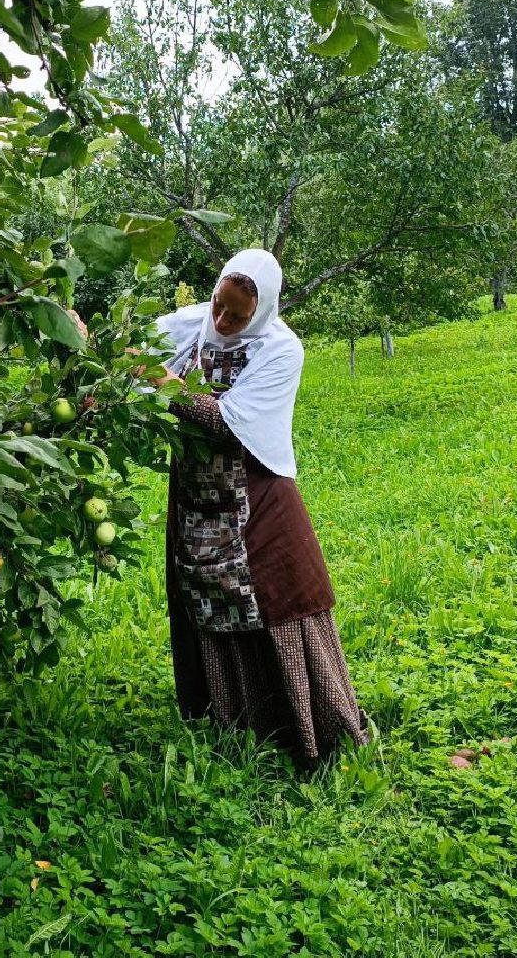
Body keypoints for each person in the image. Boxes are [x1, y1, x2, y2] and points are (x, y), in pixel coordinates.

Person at [149, 248, 369, 766]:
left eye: (237, 316)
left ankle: (307, 731)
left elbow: (227, 422)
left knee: (278, 601)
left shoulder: (281, 350)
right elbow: (122, 358)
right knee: (205, 597)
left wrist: (162, 385)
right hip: (196, 495)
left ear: (262, 312)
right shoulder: (190, 326)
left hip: (259, 495)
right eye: (218, 305)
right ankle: (230, 722)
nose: (222, 321)